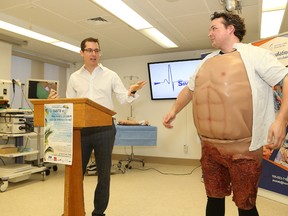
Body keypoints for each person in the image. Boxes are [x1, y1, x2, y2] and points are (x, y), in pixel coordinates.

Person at [162, 12, 288, 216]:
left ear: (230, 29)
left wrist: (281, 119)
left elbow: (285, 79)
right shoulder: (206, 62)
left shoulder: (254, 55)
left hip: (243, 149)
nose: (209, 33)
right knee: (213, 198)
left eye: (214, 28)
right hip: (209, 147)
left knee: (245, 205)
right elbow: (190, 89)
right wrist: (173, 110)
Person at [49, 37, 146, 216]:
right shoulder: (74, 77)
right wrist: (56, 102)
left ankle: (99, 212)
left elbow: (123, 98)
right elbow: (71, 104)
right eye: (89, 50)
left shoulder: (110, 74)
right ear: (82, 53)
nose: (94, 54)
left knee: (103, 175)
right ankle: (75, 209)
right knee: (76, 174)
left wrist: (131, 90)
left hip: (105, 129)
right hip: (81, 131)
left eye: (96, 50)